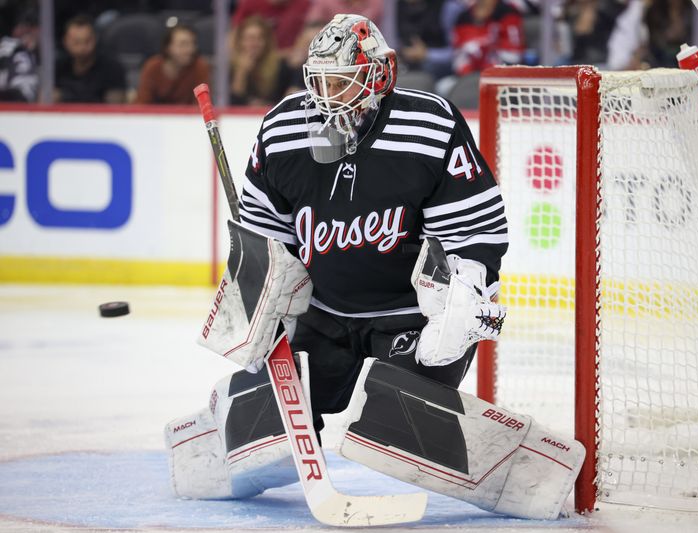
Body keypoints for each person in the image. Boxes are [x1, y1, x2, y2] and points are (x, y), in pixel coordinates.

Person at [165, 13, 584, 521]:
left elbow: (476, 233)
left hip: (410, 318)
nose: (326, 94)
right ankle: (208, 445)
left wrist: (462, 303)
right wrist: (261, 294)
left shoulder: (428, 123)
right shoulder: (282, 130)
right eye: (317, 81)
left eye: (341, 81)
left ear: (379, 75)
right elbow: (264, 234)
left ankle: (528, 469)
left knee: (389, 422)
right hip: (324, 313)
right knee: (273, 430)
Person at [55, 15, 126, 104]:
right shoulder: (57, 68)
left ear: (95, 39)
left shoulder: (112, 68)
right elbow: (45, 103)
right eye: (76, 42)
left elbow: (114, 107)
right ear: (65, 41)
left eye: (87, 41)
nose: (82, 47)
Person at [135, 24, 209, 104]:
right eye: (183, 44)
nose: (190, 49)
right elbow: (142, 104)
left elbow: (201, 105)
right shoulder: (152, 66)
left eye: (193, 44)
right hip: (155, 115)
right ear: (167, 47)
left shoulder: (199, 66)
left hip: (187, 116)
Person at [229, 15, 292, 106]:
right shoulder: (229, 68)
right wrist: (241, 73)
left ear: (267, 42)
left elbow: (284, 101)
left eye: (259, 38)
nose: (254, 44)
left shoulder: (281, 67)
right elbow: (233, 102)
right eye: (249, 38)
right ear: (240, 42)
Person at [231, 0, 310, 51]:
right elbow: (234, 34)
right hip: (257, 58)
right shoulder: (251, 3)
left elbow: (311, 34)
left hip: (290, 59)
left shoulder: (304, 4)